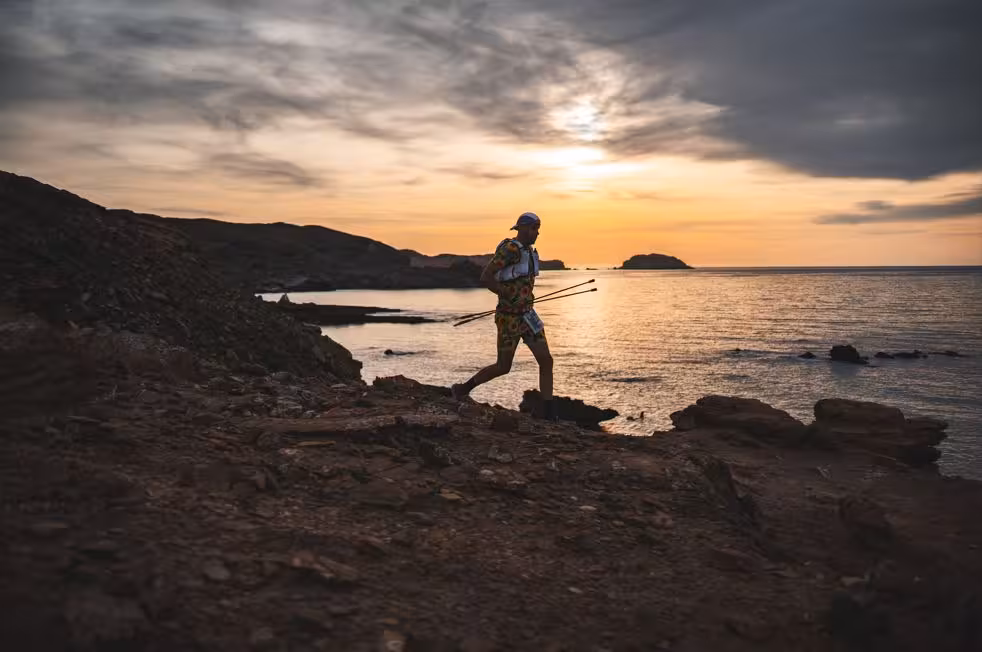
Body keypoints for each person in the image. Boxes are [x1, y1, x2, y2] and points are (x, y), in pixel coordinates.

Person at [451, 212, 557, 420]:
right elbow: (486, 277)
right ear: (524, 228)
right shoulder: (510, 250)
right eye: (535, 228)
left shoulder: (529, 251)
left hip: (528, 316)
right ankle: (463, 389)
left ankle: (549, 413)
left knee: (546, 361)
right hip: (509, 318)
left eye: (538, 228)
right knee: (503, 367)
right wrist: (507, 294)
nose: (538, 233)